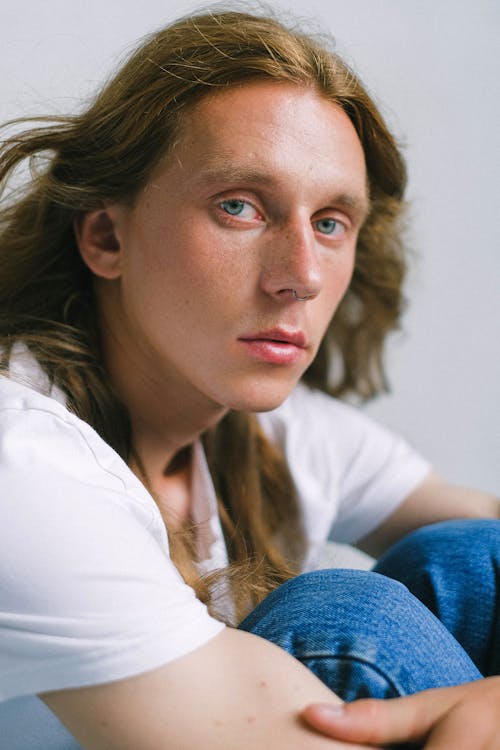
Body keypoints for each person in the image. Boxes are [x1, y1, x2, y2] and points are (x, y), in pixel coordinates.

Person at [0, 9, 498, 750]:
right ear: (106, 235)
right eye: (239, 206)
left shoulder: (271, 428)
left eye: (330, 222)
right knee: (345, 622)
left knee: (469, 558)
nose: (300, 275)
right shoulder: (26, 468)